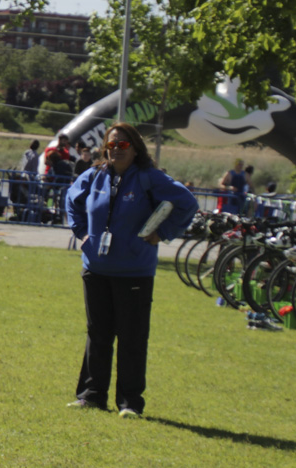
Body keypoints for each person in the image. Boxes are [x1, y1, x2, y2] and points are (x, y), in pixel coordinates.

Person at [64, 122, 198, 418]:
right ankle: (91, 396)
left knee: (132, 338)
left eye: (123, 144)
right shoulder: (95, 175)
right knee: (97, 334)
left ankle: (130, 403)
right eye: (111, 145)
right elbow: (71, 201)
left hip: (134, 272)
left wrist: (164, 233)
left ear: (136, 148)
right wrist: (82, 234)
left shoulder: (150, 178)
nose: (116, 150)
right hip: (96, 269)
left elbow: (187, 203)